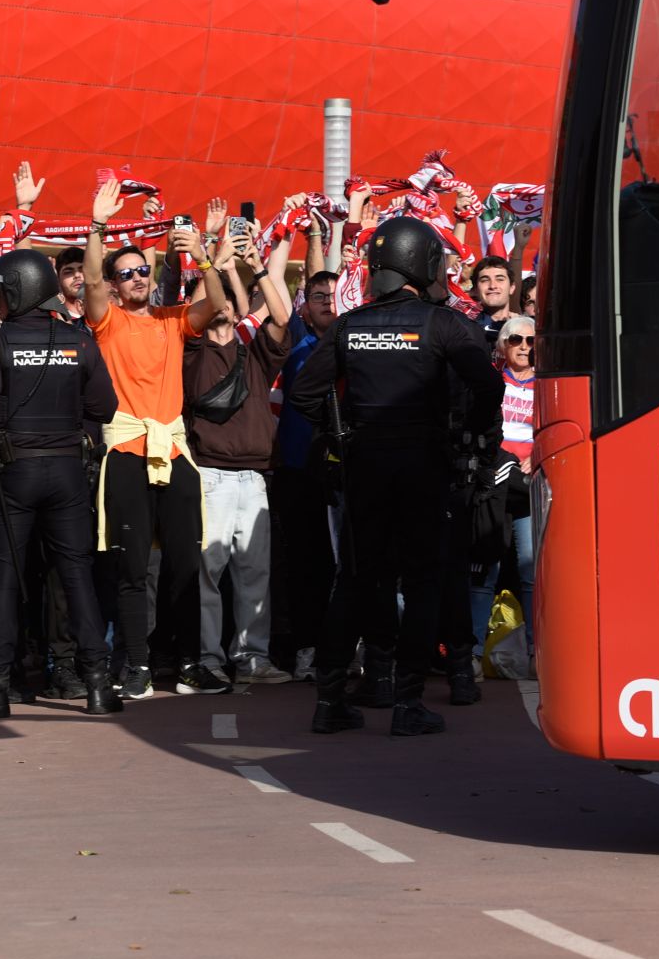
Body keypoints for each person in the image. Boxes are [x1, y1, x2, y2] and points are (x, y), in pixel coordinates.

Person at [289, 216, 503, 738]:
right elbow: (488, 388)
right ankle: (408, 702)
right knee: (425, 581)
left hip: (365, 465)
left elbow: (303, 395)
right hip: (425, 465)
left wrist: (342, 433)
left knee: (358, 580)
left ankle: (330, 698)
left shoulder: (347, 326)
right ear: (422, 264)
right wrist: (465, 434)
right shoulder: (443, 323)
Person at [83, 178, 227, 700]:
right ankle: (138, 666)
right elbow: (93, 285)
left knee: (187, 565)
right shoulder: (108, 321)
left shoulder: (172, 319)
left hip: (174, 449)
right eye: (128, 274)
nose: (138, 277)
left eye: (144, 270)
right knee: (131, 566)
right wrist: (98, 225)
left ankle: (190, 663)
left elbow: (217, 305)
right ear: (116, 285)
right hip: (126, 452)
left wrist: (206, 256)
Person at [0, 250, 122, 717]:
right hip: (69, 471)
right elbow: (105, 407)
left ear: (18, 291)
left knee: (4, 577)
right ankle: (97, 684)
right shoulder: (80, 341)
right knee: (76, 575)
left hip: (14, 473)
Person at [179, 222, 295, 692]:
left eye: (228, 293)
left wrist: (255, 265)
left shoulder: (254, 351)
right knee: (209, 572)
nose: (222, 301)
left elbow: (282, 318)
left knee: (254, 573)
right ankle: (208, 657)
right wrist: (208, 259)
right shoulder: (189, 350)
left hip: (255, 477)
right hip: (209, 475)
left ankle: (252, 656)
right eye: (213, 294)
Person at [271, 267, 337, 683]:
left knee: (346, 563)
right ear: (304, 306)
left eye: (333, 295)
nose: (328, 302)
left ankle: (349, 645)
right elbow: (276, 283)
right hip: (298, 471)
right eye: (318, 297)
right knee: (305, 564)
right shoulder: (296, 337)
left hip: (347, 469)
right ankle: (307, 646)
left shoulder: (355, 340)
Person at [470, 315, 536, 656]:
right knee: (485, 568)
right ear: (503, 346)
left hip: (528, 487)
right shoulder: (493, 383)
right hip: (493, 485)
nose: (524, 347)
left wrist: (538, 453)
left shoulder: (547, 386)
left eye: (531, 341)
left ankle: (535, 652)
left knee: (529, 570)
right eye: (516, 340)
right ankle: (474, 652)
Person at [469, 257, 516, 343]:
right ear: (475, 289)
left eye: (500, 279)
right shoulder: (465, 328)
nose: (492, 286)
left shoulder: (527, 328)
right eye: (485, 280)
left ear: (512, 287)